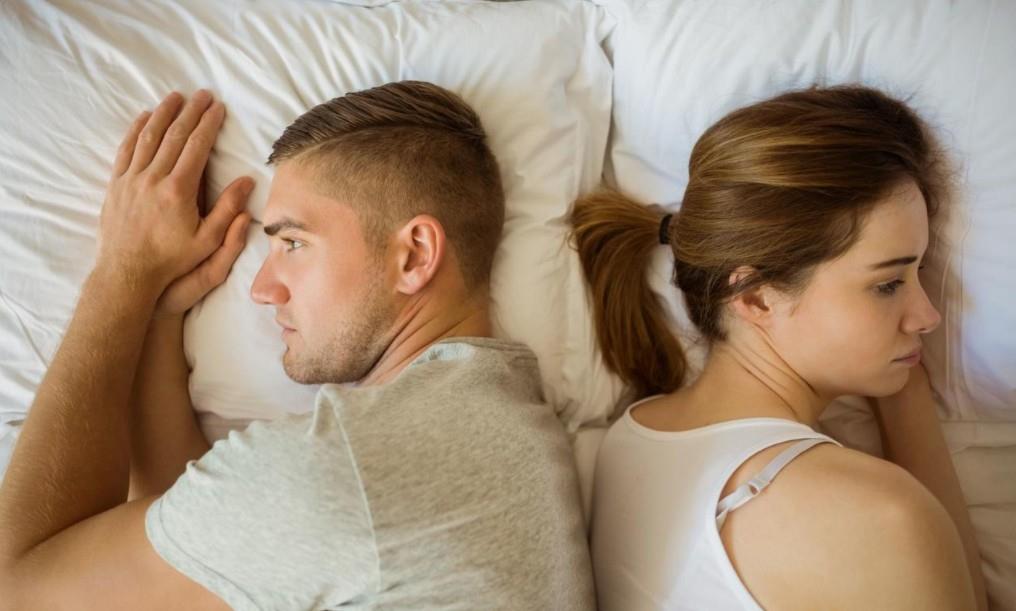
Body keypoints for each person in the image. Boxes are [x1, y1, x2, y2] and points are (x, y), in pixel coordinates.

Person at [0, 81, 595, 610]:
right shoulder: (507, 426)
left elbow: (15, 589)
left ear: (413, 255)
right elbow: (195, 561)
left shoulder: (340, 470)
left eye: (292, 243)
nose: (262, 288)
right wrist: (160, 316)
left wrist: (123, 272)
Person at [571, 85, 988, 610]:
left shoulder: (632, 433)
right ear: (756, 298)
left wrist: (903, 393)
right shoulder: (875, 515)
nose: (928, 317)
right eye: (887, 284)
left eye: (919, 270)